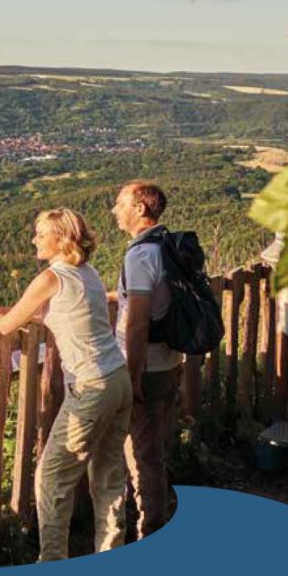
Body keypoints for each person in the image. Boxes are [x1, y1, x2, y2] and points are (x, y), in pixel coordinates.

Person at [0, 208, 132, 562]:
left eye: (41, 233)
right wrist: (8, 309)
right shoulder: (85, 272)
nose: (34, 239)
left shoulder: (50, 277)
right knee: (108, 478)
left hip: (91, 388)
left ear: (61, 239)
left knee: (52, 480)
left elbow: (6, 326)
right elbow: (51, 310)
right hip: (118, 380)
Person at [112, 181, 182, 539]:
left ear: (140, 209)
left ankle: (150, 530)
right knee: (152, 449)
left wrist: (132, 375)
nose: (115, 210)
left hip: (147, 369)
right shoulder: (166, 246)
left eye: (121, 203)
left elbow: (137, 321)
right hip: (169, 363)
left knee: (143, 456)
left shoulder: (140, 256)